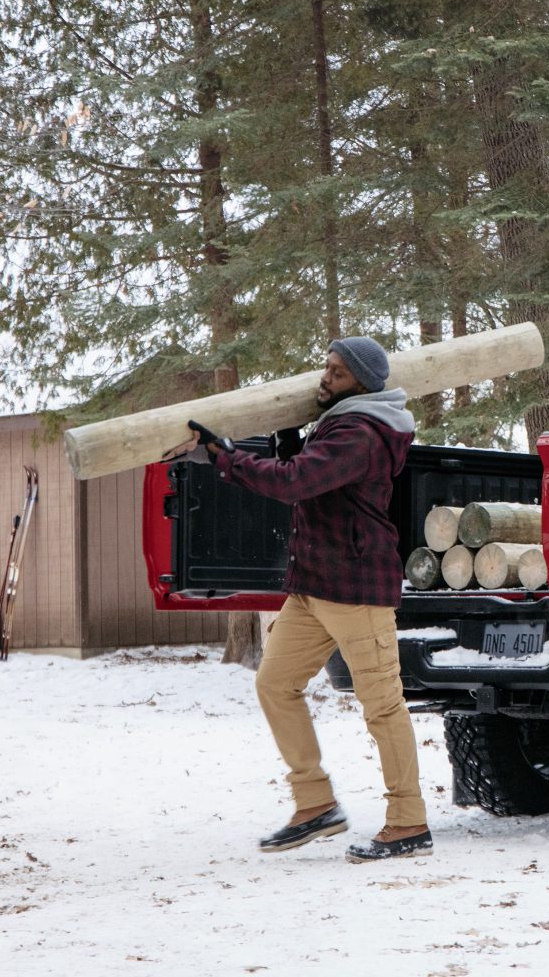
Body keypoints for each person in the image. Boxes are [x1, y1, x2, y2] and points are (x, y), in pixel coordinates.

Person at [178, 336, 430, 861]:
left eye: (336, 372)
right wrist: (290, 435)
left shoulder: (361, 431)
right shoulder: (342, 422)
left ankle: (408, 822)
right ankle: (315, 804)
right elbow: (314, 477)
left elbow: (297, 483)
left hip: (356, 587)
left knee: (382, 705)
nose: (325, 377)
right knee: (275, 684)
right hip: (316, 584)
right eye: (326, 367)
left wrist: (227, 459)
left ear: (361, 382)